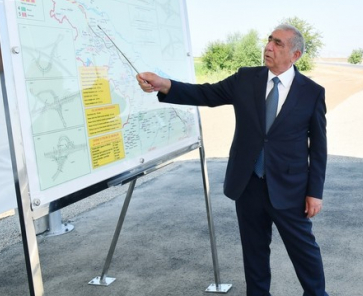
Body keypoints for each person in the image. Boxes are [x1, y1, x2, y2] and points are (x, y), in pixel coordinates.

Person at [137, 24, 329, 296]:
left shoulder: (312, 92)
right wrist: (164, 85)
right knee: (254, 253)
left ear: (295, 55)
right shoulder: (245, 79)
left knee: (305, 252)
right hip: (248, 185)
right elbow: (206, 93)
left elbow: (318, 147)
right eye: (269, 40)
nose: (269, 47)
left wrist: (314, 192)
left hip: (290, 188)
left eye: (278, 44)